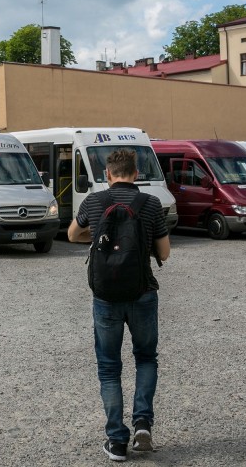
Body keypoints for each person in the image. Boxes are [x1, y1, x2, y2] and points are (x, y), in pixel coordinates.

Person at [67, 149, 170, 461]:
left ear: (107, 175)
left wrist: (99, 235)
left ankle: (116, 441)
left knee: (109, 368)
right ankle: (142, 424)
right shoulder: (151, 204)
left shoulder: (94, 202)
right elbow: (164, 253)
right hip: (142, 293)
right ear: (136, 174)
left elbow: (72, 235)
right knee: (146, 359)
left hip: (106, 297)